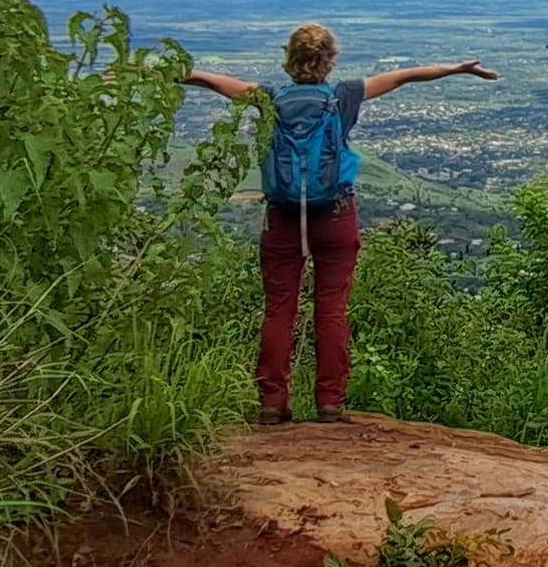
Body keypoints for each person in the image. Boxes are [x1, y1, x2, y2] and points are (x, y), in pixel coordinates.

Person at [183, 24, 497, 424]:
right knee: (331, 308)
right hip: (334, 213)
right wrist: (456, 69)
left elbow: (208, 81)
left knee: (280, 309)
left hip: (281, 215)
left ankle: (272, 404)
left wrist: (152, 73)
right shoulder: (343, 96)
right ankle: (330, 402)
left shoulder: (268, 98)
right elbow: (405, 76)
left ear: (289, 59)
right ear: (330, 60)